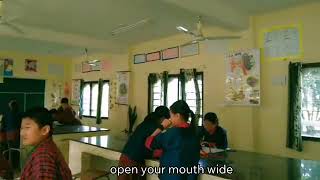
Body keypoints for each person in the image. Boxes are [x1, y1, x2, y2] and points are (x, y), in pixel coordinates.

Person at [145, 100, 200, 180]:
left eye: (171, 116)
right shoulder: (194, 132)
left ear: (177, 115)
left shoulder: (171, 133)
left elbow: (149, 143)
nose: (170, 119)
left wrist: (162, 126)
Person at [118, 106, 170, 180]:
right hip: (134, 161)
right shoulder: (155, 128)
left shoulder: (146, 123)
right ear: (163, 118)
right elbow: (152, 146)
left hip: (126, 157)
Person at [20, 107, 72, 180]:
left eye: (27, 127)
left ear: (44, 130)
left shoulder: (43, 156)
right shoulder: (46, 147)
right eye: (21, 128)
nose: (22, 133)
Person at [0, 100, 22, 169]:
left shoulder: (6, 115)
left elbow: (3, 126)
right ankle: (17, 166)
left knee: (10, 151)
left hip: (9, 134)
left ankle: (11, 166)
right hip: (17, 134)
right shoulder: (19, 114)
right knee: (17, 150)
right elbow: (20, 125)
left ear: (10, 106)